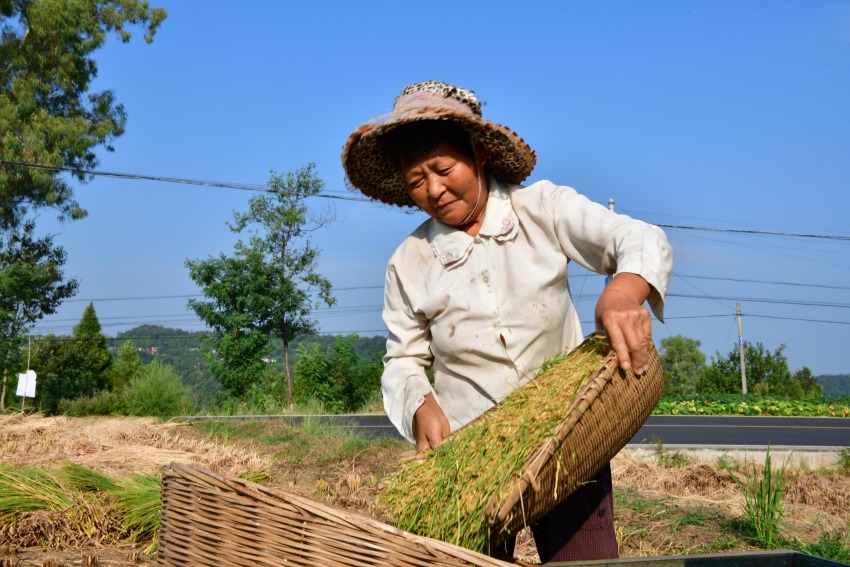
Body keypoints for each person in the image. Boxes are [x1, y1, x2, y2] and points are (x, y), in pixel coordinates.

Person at [341, 80, 673, 562]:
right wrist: (419, 406)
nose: (433, 190)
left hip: (569, 435)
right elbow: (403, 361)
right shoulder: (408, 261)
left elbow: (638, 238)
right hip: (472, 455)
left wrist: (622, 291)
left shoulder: (540, 208)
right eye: (416, 180)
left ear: (477, 155)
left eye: (442, 168)